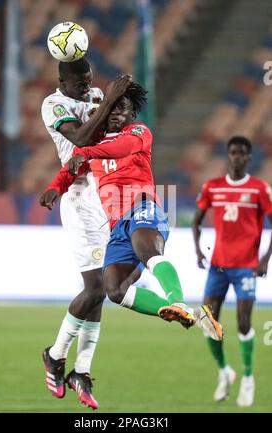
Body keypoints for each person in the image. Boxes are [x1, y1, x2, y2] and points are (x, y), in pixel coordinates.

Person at [40, 82, 224, 352]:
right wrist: (54, 187)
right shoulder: (93, 143)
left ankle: (179, 300)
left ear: (131, 114)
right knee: (114, 290)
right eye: (110, 108)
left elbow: (120, 148)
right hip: (117, 226)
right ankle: (189, 314)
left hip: (143, 207)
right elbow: (70, 170)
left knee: (147, 251)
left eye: (121, 108)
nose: (115, 113)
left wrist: (86, 153)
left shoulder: (138, 132)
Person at [40, 57, 132, 409]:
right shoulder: (53, 104)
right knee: (96, 287)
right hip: (78, 198)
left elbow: (108, 133)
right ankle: (55, 354)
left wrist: (116, 105)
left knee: (101, 290)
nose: (86, 87)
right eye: (80, 83)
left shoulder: (94, 94)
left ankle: (81, 370)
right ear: (62, 79)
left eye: (90, 81)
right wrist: (108, 101)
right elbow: (79, 139)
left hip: (104, 195)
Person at [192, 136, 272, 407]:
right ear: (228, 155)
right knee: (208, 322)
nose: (237, 156)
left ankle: (248, 378)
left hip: (246, 267)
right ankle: (225, 370)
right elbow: (197, 220)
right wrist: (198, 250)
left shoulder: (260, 189)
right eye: (233, 152)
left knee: (243, 323)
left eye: (241, 153)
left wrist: (265, 259)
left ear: (249, 157)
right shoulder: (213, 187)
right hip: (219, 266)